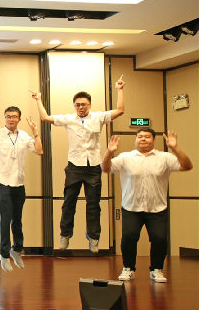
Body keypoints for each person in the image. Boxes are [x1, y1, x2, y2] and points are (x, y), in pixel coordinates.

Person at [34, 76, 125, 252]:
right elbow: (45, 118)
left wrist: (119, 89)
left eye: (84, 104)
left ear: (89, 105)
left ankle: (93, 237)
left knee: (94, 205)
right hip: (74, 167)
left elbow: (120, 110)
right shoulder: (69, 119)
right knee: (69, 202)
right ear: (74, 106)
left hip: (94, 166)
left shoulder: (98, 117)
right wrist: (38, 99)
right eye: (77, 105)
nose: (81, 107)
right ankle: (65, 234)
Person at [102, 129, 192, 283]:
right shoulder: (125, 157)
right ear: (136, 139)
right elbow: (105, 168)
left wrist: (175, 148)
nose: (143, 139)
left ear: (154, 140)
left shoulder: (165, 157)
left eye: (147, 137)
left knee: (160, 239)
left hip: (157, 208)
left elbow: (187, 166)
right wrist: (109, 152)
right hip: (131, 207)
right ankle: (128, 268)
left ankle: (156, 269)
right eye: (140, 137)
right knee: (129, 238)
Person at [0, 107, 43, 272]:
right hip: (2, 181)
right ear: (5, 118)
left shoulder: (24, 136)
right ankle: (4, 254)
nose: (11, 119)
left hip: (19, 182)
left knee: (17, 219)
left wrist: (35, 132)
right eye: (8, 117)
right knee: (6, 218)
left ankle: (17, 250)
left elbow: (39, 151)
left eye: (14, 117)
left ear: (19, 119)